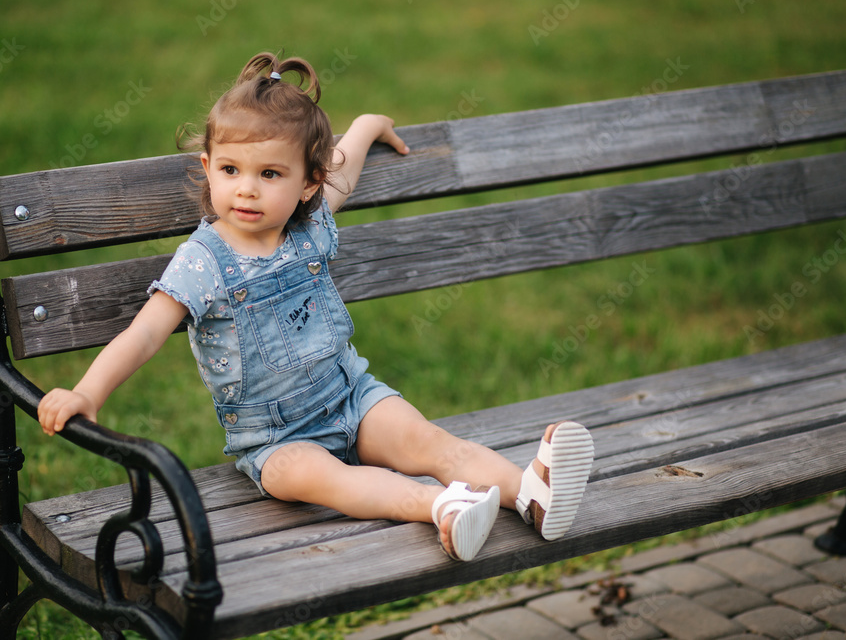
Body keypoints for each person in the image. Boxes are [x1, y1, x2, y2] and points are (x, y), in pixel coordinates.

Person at [38, 52, 594, 561]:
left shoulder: (309, 223)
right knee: (329, 480)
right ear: (208, 168)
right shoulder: (202, 261)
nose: (247, 190)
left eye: (270, 174)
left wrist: (371, 125)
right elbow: (145, 334)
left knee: (430, 442)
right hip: (277, 440)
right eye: (231, 171)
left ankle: (530, 494)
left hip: (351, 395)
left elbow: (344, 166)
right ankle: (442, 508)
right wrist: (87, 392)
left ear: (308, 184)